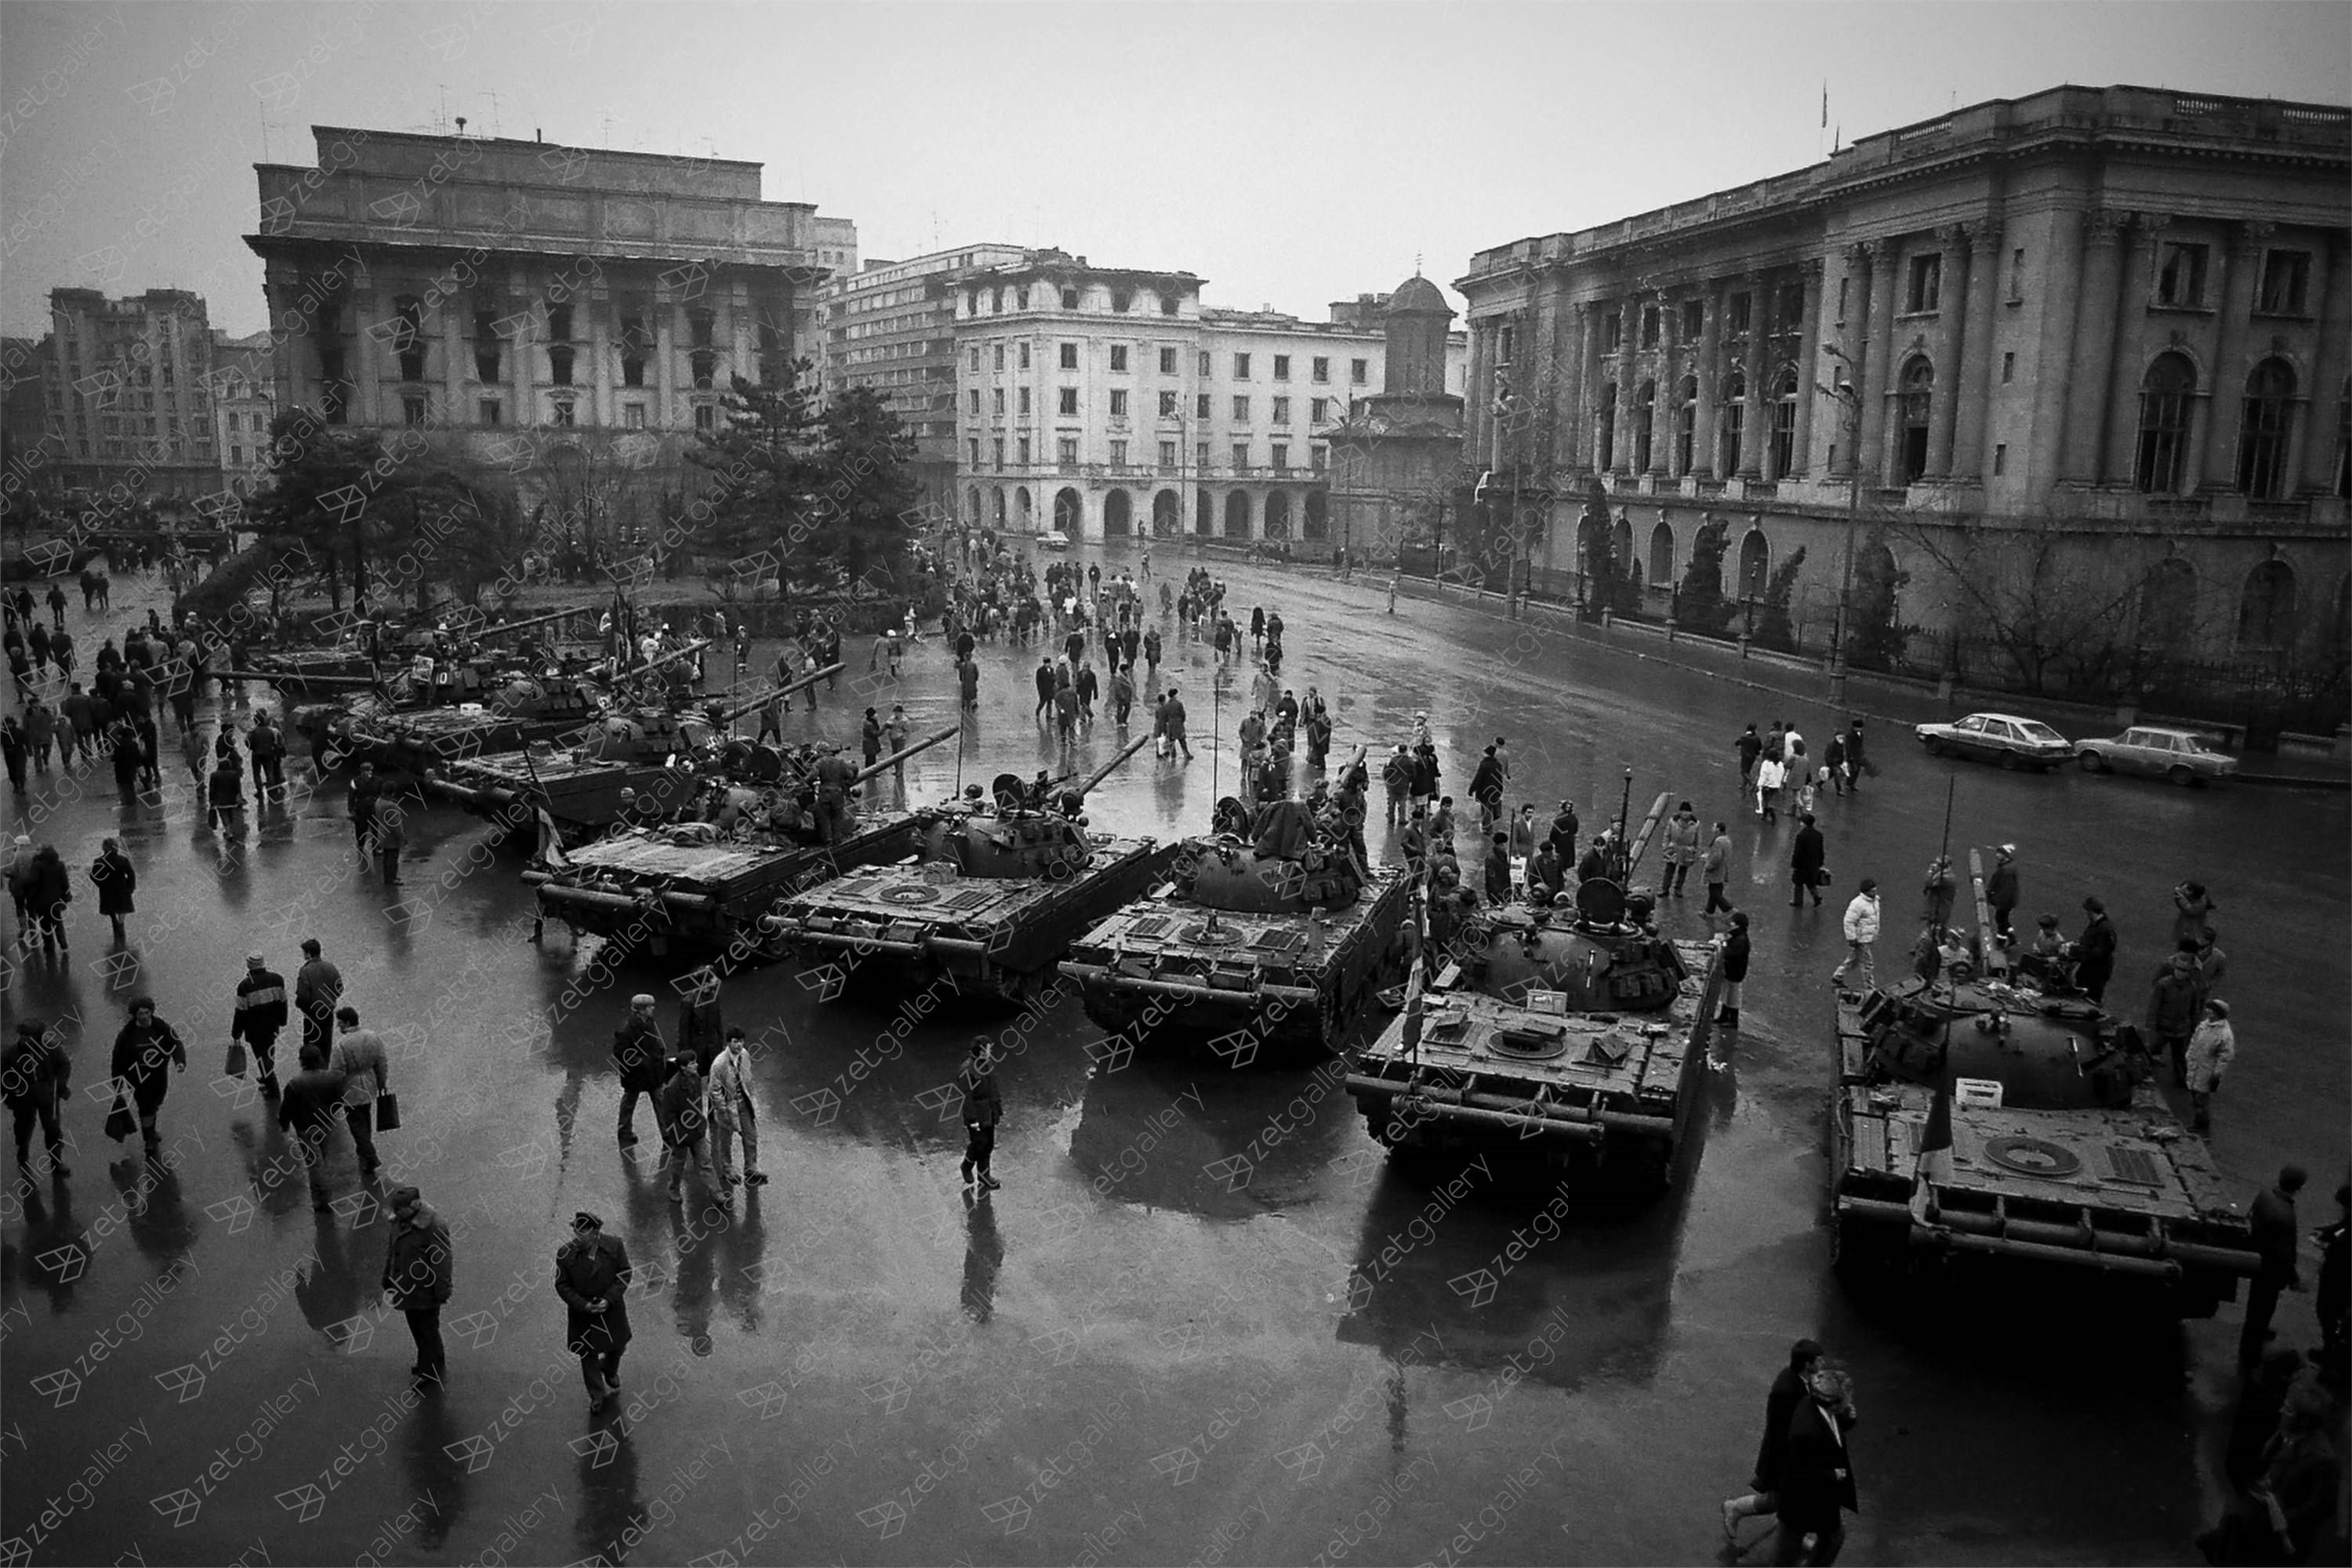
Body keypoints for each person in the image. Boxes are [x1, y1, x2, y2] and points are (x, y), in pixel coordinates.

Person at [1722, 1338, 1822, 1544]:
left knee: (1792, 1498)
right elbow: (1779, 1433)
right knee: (1777, 1500)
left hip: (1795, 1455)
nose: (1822, 1364)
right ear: (1808, 1364)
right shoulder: (1785, 1391)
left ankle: (1793, 1528)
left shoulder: (1803, 1380)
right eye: (1819, 1360)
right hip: (1786, 1457)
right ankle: (1737, 1508)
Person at [1774, 1362, 1861, 1566]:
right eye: (1848, 1397)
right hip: (1801, 1502)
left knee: (1833, 1538)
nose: (1851, 1399)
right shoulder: (1806, 1431)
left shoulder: (1818, 1408)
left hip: (1819, 1499)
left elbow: (1832, 1432)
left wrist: (1847, 1420)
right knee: (1788, 1552)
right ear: (1835, 1403)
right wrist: (1832, 1474)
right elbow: (1799, 1469)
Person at [555, 1212, 633, 1414]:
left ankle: (609, 1368)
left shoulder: (614, 1246)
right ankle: (597, 1395)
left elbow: (624, 1273)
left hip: (611, 1311)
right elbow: (562, 1285)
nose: (578, 1236)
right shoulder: (565, 1254)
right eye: (576, 1231)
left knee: (618, 1346)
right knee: (587, 1355)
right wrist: (583, 1305)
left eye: (583, 1232)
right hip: (583, 1315)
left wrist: (608, 1299)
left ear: (596, 1233)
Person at [382, 1185, 452, 1388]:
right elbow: (393, 1251)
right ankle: (434, 1361)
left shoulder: (434, 1226)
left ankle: (427, 1372)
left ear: (413, 1206)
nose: (395, 1213)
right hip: (407, 1288)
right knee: (419, 1329)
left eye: (399, 1209)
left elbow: (442, 1263)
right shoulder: (399, 1222)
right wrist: (388, 1276)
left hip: (426, 1292)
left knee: (426, 1331)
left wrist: (442, 1291)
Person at [2241, 1167, 2307, 1370]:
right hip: (2271, 1270)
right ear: (2299, 1188)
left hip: (2259, 1260)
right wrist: (2293, 1278)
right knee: (2262, 1309)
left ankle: (2254, 1336)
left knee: (2256, 1307)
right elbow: (2284, 1253)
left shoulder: (2265, 1194)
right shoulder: (2285, 1214)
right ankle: (2250, 1352)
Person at [110, 996, 187, 1153]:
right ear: (135, 1015)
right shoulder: (127, 1035)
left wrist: (180, 1061)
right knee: (145, 1107)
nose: (144, 1017)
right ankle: (149, 1140)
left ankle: (151, 1128)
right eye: (140, 1014)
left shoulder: (161, 1027)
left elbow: (175, 1043)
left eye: (146, 1013)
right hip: (137, 1078)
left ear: (151, 1012)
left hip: (159, 1075)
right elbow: (117, 1059)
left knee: (155, 1103)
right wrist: (118, 1084)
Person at [278, 1044, 347, 1210]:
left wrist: (285, 1124)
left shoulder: (295, 1084)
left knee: (314, 1164)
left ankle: (324, 1197)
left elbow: (286, 1108)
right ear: (320, 1059)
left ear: (302, 1061)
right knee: (322, 1156)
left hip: (305, 1128)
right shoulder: (333, 1078)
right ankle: (318, 1195)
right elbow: (340, 1100)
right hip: (326, 1124)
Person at [4, 1018, 71, 1179]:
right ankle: (23, 1151)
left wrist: (58, 1084)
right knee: (23, 1127)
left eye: (29, 1036)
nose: (24, 1039)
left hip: (47, 1093)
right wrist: (15, 1090)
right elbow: (3, 1077)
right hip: (23, 1096)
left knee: (53, 1128)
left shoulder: (51, 1049)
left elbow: (64, 1065)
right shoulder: (9, 1054)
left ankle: (56, 1161)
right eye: (22, 1035)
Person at [330, 1005, 389, 1176]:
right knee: (365, 1119)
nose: (338, 1027)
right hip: (369, 1084)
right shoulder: (372, 1037)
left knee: (356, 1125)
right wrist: (381, 1082)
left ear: (347, 1023)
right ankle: (364, 1153)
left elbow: (337, 1071)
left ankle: (370, 1156)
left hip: (351, 1088)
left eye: (340, 1023)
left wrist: (334, 1092)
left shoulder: (341, 1045)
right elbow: (381, 1062)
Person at [706, 1026, 766, 1190]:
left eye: (741, 1041)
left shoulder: (745, 1055)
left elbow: (749, 1078)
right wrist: (722, 1109)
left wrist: (752, 1100)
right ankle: (727, 1168)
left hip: (745, 1103)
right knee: (726, 1140)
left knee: (751, 1136)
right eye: (735, 1042)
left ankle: (751, 1166)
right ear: (728, 1043)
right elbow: (714, 1090)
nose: (739, 1045)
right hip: (728, 1107)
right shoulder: (719, 1063)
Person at [659, 1053, 720, 1207]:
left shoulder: (696, 1079)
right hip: (680, 1133)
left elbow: (698, 1103)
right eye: (692, 1063)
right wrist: (679, 1135)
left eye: (695, 1062)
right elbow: (668, 1116)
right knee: (678, 1163)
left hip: (696, 1129)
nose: (696, 1065)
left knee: (705, 1161)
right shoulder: (672, 1089)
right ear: (683, 1067)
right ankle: (673, 1189)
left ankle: (717, 1192)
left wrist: (700, 1123)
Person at [612, 994, 669, 1147]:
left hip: (653, 1072)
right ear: (641, 1010)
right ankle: (624, 1132)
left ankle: (667, 1133)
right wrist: (641, 1062)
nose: (653, 1009)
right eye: (650, 1007)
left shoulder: (649, 1021)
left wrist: (660, 1052)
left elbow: (655, 1039)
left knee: (660, 1101)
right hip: (636, 1074)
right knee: (629, 1103)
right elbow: (620, 1053)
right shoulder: (626, 1029)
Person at [234, 951, 289, 1098]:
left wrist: (236, 1033)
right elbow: (283, 1003)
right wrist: (282, 1021)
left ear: (249, 966)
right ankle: (266, 1077)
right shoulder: (277, 980)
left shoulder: (244, 986)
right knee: (268, 1053)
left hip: (254, 1030)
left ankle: (273, 1089)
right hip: (272, 1026)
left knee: (262, 1056)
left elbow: (240, 1012)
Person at [2148, 950, 2206, 1086]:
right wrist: (2152, 1025)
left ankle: (2183, 1081)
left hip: (2181, 1030)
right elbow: (2154, 1007)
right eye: (2179, 969)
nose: (2180, 973)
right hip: (2163, 1027)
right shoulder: (2163, 985)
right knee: (2150, 1052)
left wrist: (2196, 1028)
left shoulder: (2191, 988)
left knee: (2180, 1058)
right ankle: (2144, 1075)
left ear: (2188, 972)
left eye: (2184, 971)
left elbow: (2194, 1010)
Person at [2181, 999, 2235, 1137]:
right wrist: (2189, 1056)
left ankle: (2202, 1128)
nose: (2209, 1011)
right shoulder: (2204, 1026)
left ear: (2219, 1014)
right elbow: (2194, 1041)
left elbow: (2225, 1057)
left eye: (2213, 1010)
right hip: (2196, 1066)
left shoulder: (2224, 1034)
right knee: (2195, 1096)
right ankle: (2198, 1124)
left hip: (2206, 1070)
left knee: (2201, 1100)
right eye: (2209, 1009)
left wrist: (2216, 1076)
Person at [957, 1040, 1003, 1192]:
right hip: (977, 1113)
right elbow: (966, 1097)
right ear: (980, 1051)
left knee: (988, 1144)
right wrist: (972, 1119)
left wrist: (997, 1107)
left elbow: (993, 1087)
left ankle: (984, 1176)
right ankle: (967, 1165)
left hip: (988, 1112)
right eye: (988, 1049)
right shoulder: (967, 1070)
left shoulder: (987, 1064)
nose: (990, 1052)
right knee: (979, 1143)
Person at [296, 937, 343, 1060]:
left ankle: (311, 1071)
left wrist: (303, 1007)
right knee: (326, 1043)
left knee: (311, 1043)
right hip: (328, 1012)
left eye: (304, 952)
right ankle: (325, 1070)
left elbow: (303, 996)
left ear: (309, 953)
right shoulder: (330, 967)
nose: (303, 955)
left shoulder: (305, 971)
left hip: (311, 1015)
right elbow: (339, 988)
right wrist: (330, 999)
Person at [1833, 880, 1881, 993]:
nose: (1874, 892)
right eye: (1872, 890)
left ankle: (1838, 976)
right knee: (1868, 964)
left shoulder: (1875, 901)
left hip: (1867, 937)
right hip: (1861, 939)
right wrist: (1851, 937)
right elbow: (1849, 921)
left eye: (1875, 890)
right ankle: (1870, 989)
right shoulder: (1857, 904)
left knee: (1854, 959)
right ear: (1865, 892)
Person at [677, 973, 726, 1074]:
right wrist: (684, 1052)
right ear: (706, 983)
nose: (716, 980)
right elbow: (683, 1029)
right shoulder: (689, 1002)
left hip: (714, 1044)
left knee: (716, 1073)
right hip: (697, 1046)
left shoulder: (715, 997)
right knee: (697, 1074)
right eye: (713, 978)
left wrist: (722, 1041)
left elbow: (718, 1022)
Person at [2072, 897, 2118, 1004]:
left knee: (2091, 1001)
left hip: (2096, 973)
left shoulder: (2105, 929)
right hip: (2087, 970)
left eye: (2087, 911)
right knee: (2080, 997)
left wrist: (2081, 953)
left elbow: (2101, 952)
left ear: (2091, 911)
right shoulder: (2095, 925)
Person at [89, 838, 136, 943]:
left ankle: (114, 921)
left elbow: (93, 876)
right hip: (122, 889)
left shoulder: (99, 862)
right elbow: (131, 873)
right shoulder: (123, 860)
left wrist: (101, 885)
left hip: (107, 891)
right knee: (122, 909)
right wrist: (130, 887)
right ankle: (121, 924)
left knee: (111, 909)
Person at [1718, 912, 1752, 1029]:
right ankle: (1724, 1016)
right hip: (1732, 970)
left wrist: (1723, 944)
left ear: (1738, 925)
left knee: (1733, 995)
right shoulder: (1737, 935)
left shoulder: (1740, 939)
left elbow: (1732, 953)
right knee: (1728, 993)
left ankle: (1733, 1020)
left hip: (1736, 971)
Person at [1661, 801, 1700, 897]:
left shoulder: (1696, 824)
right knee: (1669, 869)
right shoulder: (1672, 821)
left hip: (1687, 849)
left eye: (1688, 812)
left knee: (1683, 871)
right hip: (1673, 848)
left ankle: (1678, 889)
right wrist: (1665, 848)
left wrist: (1696, 851)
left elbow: (1698, 838)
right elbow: (1667, 835)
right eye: (1684, 811)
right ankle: (1665, 889)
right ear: (1680, 812)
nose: (1686, 814)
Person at [1790, 814, 1826, 908]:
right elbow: (1821, 850)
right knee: (1811, 883)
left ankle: (1798, 902)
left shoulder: (1801, 836)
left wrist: (1794, 863)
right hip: (1814, 864)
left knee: (1798, 883)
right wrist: (1820, 862)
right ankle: (1816, 896)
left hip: (1802, 864)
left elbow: (1798, 852)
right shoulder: (1818, 835)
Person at [2172, 880, 2218, 949]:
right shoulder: (2198, 899)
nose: (2183, 891)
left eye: (2186, 890)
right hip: (2191, 930)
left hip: (2194, 934)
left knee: (2190, 951)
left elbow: (2191, 911)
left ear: (2193, 893)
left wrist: (2179, 898)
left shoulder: (2198, 905)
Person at [1704, 822, 1734, 915]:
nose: (1712, 828)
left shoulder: (1718, 841)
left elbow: (1717, 857)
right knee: (1717, 889)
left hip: (1716, 870)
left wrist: (1708, 865)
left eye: (1714, 826)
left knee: (1714, 892)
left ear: (1718, 829)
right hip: (1723, 869)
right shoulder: (1727, 840)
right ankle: (1709, 911)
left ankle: (1729, 910)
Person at [1922, 855, 1957, 931]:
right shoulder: (1942, 875)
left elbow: (1929, 883)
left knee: (1936, 932)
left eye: (1937, 864)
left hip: (1940, 910)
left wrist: (1930, 871)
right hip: (1937, 907)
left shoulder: (1944, 878)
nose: (1934, 865)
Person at [1756, 752, 1786, 821]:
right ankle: (1765, 815)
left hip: (1767, 785)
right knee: (1771, 801)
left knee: (1766, 801)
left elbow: (1763, 775)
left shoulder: (1766, 764)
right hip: (1776, 785)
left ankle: (1771, 815)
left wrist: (1759, 785)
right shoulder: (1781, 764)